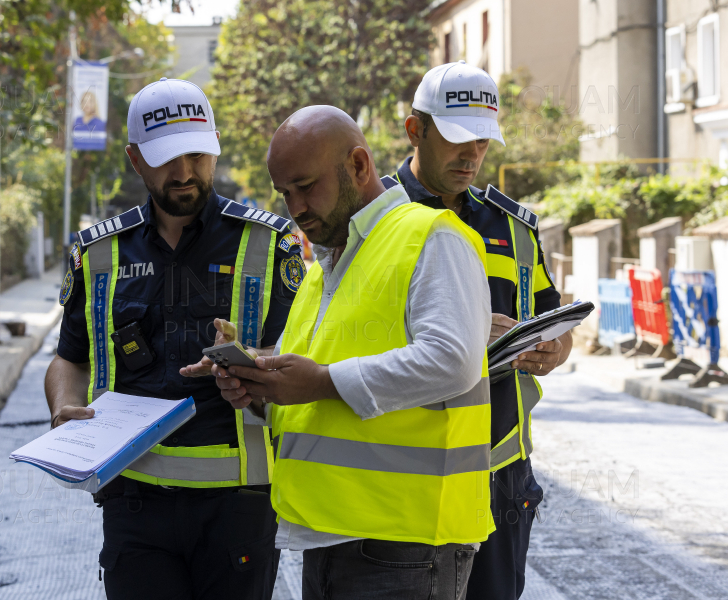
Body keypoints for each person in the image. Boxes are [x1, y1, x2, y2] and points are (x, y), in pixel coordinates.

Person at [214, 105, 494, 600]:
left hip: (408, 545)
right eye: (285, 193)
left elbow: (452, 360)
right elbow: (305, 383)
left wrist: (321, 381)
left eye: (306, 186)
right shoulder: (327, 265)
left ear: (359, 167)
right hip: (330, 538)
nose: (295, 207)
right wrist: (254, 382)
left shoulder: (432, 237)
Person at [44, 77, 305, 600]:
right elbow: (68, 358)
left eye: (195, 153)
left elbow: (308, 355)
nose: (184, 172)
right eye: (166, 158)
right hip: (133, 504)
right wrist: (64, 407)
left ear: (214, 147)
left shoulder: (271, 245)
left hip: (239, 506)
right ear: (136, 159)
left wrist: (255, 367)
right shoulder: (99, 253)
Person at [391, 61, 574, 600]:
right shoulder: (371, 217)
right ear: (414, 130)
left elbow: (556, 325)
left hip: (501, 471)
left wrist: (548, 349)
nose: (472, 154)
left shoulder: (513, 226)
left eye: (483, 140)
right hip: (407, 469)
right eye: (455, 138)